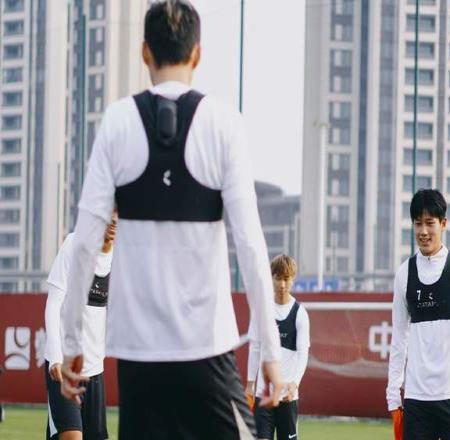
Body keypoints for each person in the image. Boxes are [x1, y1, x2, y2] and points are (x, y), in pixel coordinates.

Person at [59, 1, 282, 439]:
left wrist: (71, 343)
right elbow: (251, 246)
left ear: (145, 52)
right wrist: (270, 351)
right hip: (208, 354)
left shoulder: (117, 122)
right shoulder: (224, 123)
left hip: (139, 362)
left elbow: (84, 244)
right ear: (197, 54)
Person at [386, 189, 450, 440]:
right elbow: (398, 337)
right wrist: (393, 394)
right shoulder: (404, 273)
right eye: (417, 223)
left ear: (443, 224)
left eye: (430, 223)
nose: (423, 231)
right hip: (416, 399)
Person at [44, 216, 116, 440]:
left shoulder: (121, 258)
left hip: (95, 371)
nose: (114, 220)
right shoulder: (74, 244)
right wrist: (55, 356)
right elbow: (53, 303)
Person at [246, 255, 310, 440]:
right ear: (271, 278)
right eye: (278, 278)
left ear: (293, 279)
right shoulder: (262, 310)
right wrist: (250, 384)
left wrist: (294, 384)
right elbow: (255, 348)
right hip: (263, 396)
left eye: (286, 278)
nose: (282, 284)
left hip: (288, 398)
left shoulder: (300, 314)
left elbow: (303, 353)